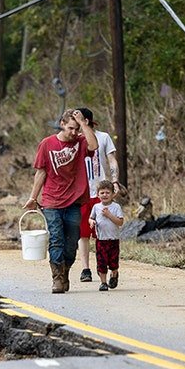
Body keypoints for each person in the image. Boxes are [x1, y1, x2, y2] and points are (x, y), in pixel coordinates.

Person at [24, 109, 98, 293]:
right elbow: (41, 172)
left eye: (76, 129)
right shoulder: (47, 144)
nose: (74, 132)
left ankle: (65, 272)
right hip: (51, 200)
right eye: (71, 128)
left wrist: (83, 124)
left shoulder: (81, 142)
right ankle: (57, 278)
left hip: (74, 200)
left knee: (72, 242)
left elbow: (94, 146)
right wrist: (33, 197)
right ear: (62, 124)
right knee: (56, 239)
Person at [73, 108, 120, 283]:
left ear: (86, 120)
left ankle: (107, 266)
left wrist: (114, 181)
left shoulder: (103, 137)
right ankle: (86, 268)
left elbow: (112, 159)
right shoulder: (75, 139)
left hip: (101, 191)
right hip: (82, 192)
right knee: (83, 233)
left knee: (103, 231)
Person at [88, 180, 126, 291]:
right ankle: (103, 283)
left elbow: (120, 222)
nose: (105, 195)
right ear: (97, 194)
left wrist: (109, 215)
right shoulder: (96, 207)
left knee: (113, 263)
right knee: (101, 262)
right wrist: (91, 222)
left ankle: (114, 274)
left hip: (113, 240)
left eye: (107, 192)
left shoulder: (116, 207)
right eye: (102, 193)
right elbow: (91, 218)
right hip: (101, 240)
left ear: (113, 194)